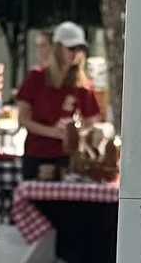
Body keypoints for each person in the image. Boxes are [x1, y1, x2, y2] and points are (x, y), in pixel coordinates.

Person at [15, 20, 102, 177]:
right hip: (37, 153)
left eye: (80, 49)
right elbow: (23, 119)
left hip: (68, 157)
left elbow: (92, 121)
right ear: (57, 48)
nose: (75, 53)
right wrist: (53, 132)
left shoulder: (82, 84)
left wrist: (75, 132)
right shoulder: (36, 78)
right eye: (71, 48)